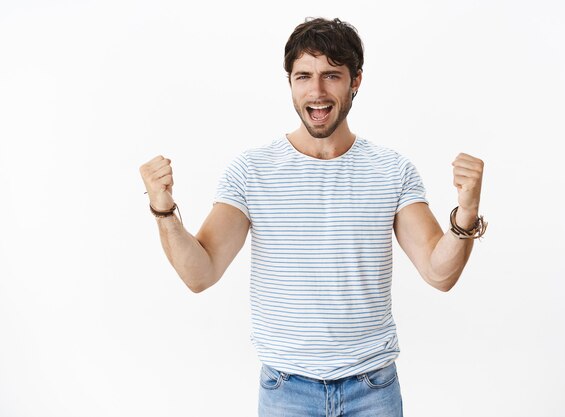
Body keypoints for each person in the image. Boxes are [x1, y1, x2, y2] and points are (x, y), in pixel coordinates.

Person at [139, 17, 486, 417]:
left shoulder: (392, 171)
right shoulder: (252, 171)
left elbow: (439, 273)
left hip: (372, 389)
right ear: (289, 82)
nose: (316, 92)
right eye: (304, 76)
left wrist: (467, 213)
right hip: (287, 391)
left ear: (355, 80)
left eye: (331, 76)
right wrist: (163, 209)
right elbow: (200, 274)